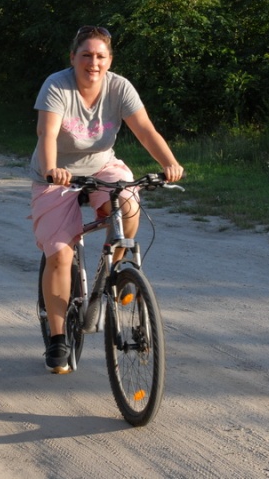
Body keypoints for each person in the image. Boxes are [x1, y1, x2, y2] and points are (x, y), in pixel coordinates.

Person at [30, 25, 184, 373]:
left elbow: (145, 130)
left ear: (110, 60)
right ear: (73, 57)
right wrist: (52, 169)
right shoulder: (57, 85)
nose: (93, 62)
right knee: (60, 254)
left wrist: (169, 163)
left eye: (100, 56)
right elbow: (46, 132)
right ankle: (58, 338)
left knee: (128, 199)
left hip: (102, 166)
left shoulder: (119, 87)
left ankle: (114, 271)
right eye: (86, 55)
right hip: (56, 173)